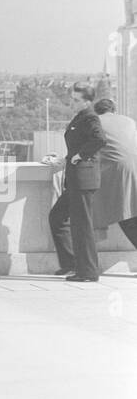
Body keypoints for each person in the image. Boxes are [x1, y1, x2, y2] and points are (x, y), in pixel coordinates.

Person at [49, 82, 108, 281]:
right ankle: (71, 264)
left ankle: (88, 272)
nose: (72, 103)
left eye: (76, 100)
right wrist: (66, 158)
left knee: (82, 226)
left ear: (87, 101)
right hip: (76, 179)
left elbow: (99, 139)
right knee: (57, 217)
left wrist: (79, 156)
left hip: (83, 179)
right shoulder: (81, 117)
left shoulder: (90, 116)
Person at [92, 97, 137, 256]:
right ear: (114, 110)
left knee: (125, 215)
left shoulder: (96, 121)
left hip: (118, 173)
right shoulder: (129, 121)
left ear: (97, 111)